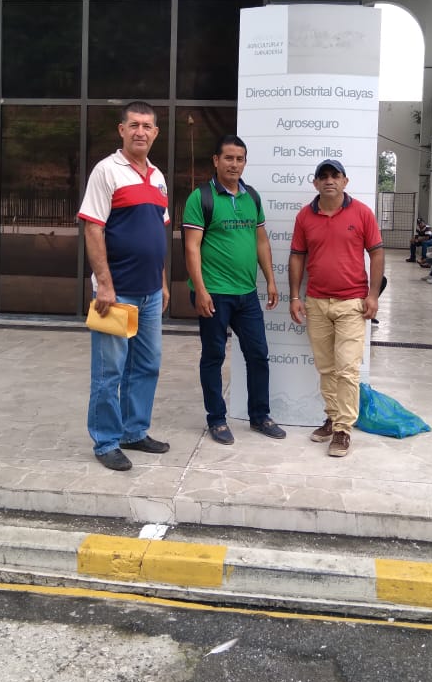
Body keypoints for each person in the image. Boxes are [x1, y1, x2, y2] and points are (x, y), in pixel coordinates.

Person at [78, 101, 170, 472]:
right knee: (109, 371)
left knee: (147, 365)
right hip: (116, 295)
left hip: (150, 294)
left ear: (155, 133)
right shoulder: (106, 171)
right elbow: (93, 228)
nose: (140, 132)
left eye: (147, 126)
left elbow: (157, 233)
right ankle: (106, 441)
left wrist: (162, 283)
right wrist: (104, 285)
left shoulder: (158, 177)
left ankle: (134, 431)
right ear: (121, 130)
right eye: (134, 125)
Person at [183, 135, 286, 445]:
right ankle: (217, 419)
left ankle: (260, 416)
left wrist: (270, 279)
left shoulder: (251, 196)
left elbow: (261, 241)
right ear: (216, 160)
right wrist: (200, 290)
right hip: (214, 292)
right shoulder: (201, 198)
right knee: (213, 356)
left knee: (258, 354)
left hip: (246, 293)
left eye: (239, 159)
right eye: (228, 158)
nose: (234, 164)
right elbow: (191, 248)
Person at [288, 159, 384, 458]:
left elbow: (377, 254)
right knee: (326, 367)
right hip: (316, 302)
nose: (329, 180)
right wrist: (294, 296)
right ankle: (332, 418)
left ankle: (343, 429)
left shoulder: (362, 213)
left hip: (352, 303)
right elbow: (297, 256)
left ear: (345, 181)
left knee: (347, 369)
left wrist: (373, 295)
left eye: (335, 175)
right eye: (323, 176)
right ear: (316, 183)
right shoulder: (305, 216)